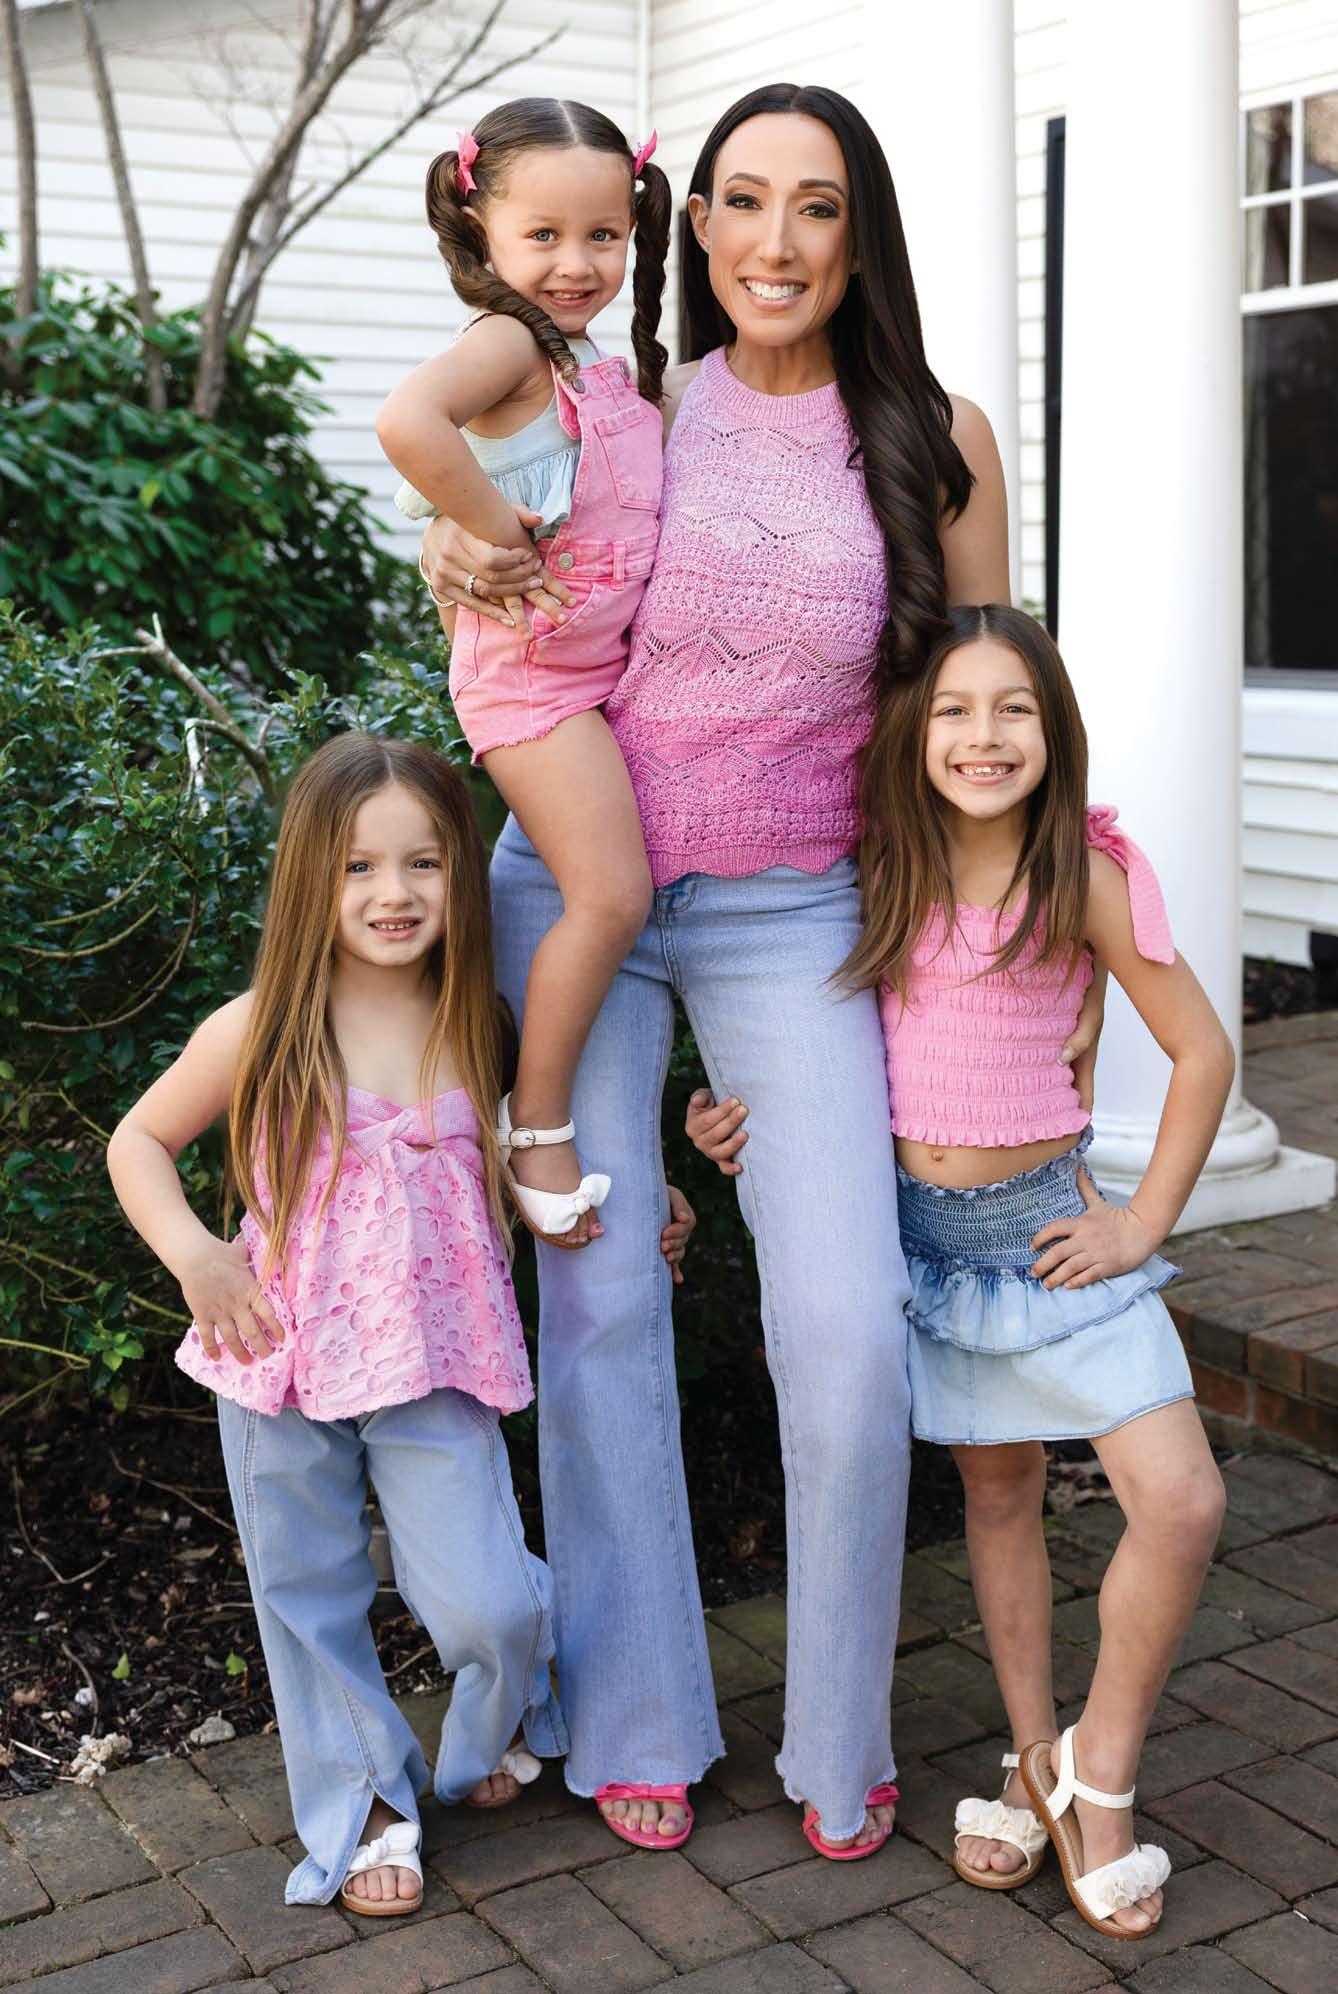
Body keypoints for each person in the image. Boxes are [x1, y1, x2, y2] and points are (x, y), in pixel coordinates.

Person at [413, 85, 1086, 1859]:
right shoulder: (622, 392)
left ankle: (836, 1734)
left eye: (816, 205)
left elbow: (980, 704)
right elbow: (503, 548)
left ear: (859, 235)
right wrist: (453, 538)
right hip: (580, 886)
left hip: (796, 912)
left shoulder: (933, 435)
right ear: (692, 224)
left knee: (846, 1327)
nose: (773, 241)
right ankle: (634, 1709)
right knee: (600, 1306)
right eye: (739, 200)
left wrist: (1016, 971)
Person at [687, 604, 1233, 1934]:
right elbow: (808, 1043)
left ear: (1053, 730)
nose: (982, 736)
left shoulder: (1084, 875)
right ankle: (1032, 1755)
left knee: (1180, 1498)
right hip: (918, 1242)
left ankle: (1101, 1769)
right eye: (952, 709)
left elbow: (1203, 1051)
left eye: (1012, 708)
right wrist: (731, 1118)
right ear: (912, 731)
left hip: (1053, 1242)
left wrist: (1142, 1221)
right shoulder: (874, 867)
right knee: (998, 1495)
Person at [106, 733, 575, 1917]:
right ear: (310, 877)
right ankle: (364, 1799)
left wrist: (641, 1201)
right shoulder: (262, 1024)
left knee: (489, 1599)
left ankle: (499, 1714)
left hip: (435, 1355)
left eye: (422, 862)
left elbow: (530, 1160)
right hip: (279, 1352)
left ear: (460, 871)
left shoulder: (482, 1022)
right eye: (359, 865)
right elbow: (139, 1139)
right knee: (306, 1587)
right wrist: (197, 1255)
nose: (392, 891)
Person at [376, 98, 672, 1248]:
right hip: (533, 683)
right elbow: (409, 423)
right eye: (543, 234)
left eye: (603, 235)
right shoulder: (506, 341)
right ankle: (535, 1120)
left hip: (593, 679)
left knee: (606, 895)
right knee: (612, 897)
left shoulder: (592, 362)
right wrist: (492, 528)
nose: (575, 262)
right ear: (482, 227)